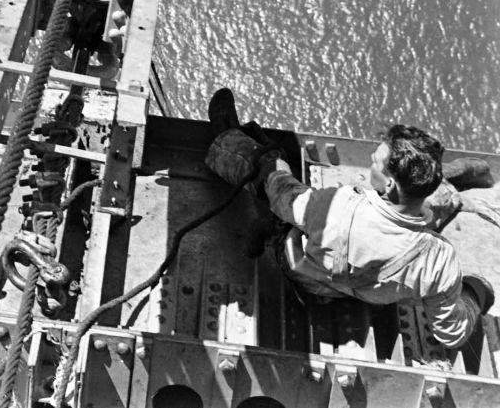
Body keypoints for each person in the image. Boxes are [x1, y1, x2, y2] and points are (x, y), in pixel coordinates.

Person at [205, 89, 494, 350]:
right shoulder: (439, 260)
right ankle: (448, 178)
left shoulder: (341, 207)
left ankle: (224, 139)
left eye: (376, 159)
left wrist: (275, 167)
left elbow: (285, 199)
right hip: (366, 292)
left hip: (312, 279)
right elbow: (452, 333)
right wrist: (474, 292)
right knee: (430, 206)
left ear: (390, 184)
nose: (370, 156)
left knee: (272, 168)